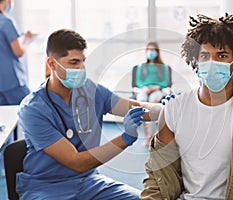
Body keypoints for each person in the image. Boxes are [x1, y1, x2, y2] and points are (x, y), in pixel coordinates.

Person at [141, 13, 233, 199]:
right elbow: (158, 179)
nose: (212, 63)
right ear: (196, 60)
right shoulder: (172, 111)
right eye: (205, 55)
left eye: (221, 55)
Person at [16, 29, 162, 199]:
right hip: (46, 187)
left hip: (88, 182)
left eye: (82, 61)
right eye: (73, 62)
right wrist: (125, 139)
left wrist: (170, 108)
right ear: (52, 64)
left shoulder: (91, 91)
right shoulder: (33, 109)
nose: (81, 68)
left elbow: (137, 107)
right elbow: (76, 162)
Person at [135, 41, 171, 145]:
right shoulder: (142, 66)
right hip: (144, 89)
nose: (150, 52)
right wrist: (144, 87)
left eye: (153, 50)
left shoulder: (162, 66)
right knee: (141, 104)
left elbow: (165, 82)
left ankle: (152, 134)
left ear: (157, 52)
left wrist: (157, 87)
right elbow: (138, 81)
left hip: (157, 90)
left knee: (152, 103)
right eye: (149, 50)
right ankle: (147, 134)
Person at [0, 0, 33, 105]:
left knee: (4, 117)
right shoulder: (6, 22)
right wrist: (27, 40)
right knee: (28, 111)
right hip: (12, 82)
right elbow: (19, 52)